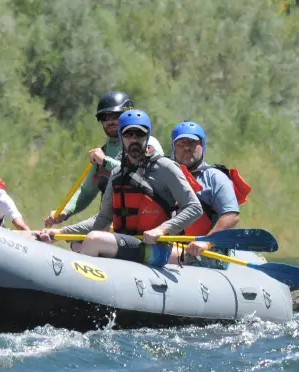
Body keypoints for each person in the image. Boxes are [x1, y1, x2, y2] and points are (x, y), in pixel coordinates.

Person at [35, 110, 202, 267]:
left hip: (156, 249)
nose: (134, 139)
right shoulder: (116, 173)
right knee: (78, 242)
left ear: (148, 135)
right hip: (126, 242)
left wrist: (162, 229)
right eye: (128, 134)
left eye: (140, 134)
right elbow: (102, 220)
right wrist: (61, 232)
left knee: (94, 240)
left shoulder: (165, 168)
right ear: (121, 137)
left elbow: (194, 207)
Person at [44, 91, 164, 227]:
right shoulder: (103, 152)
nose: (110, 121)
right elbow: (86, 191)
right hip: (113, 223)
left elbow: (143, 177)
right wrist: (65, 211)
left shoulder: (148, 143)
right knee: (77, 242)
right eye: (105, 117)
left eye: (116, 116)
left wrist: (106, 161)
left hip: (146, 223)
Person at [168, 120, 251, 263]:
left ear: (203, 147)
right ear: (174, 148)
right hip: (172, 247)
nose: (187, 148)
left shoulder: (215, 177)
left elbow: (231, 216)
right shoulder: (166, 175)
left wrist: (206, 242)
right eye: (181, 144)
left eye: (192, 143)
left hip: (207, 253)